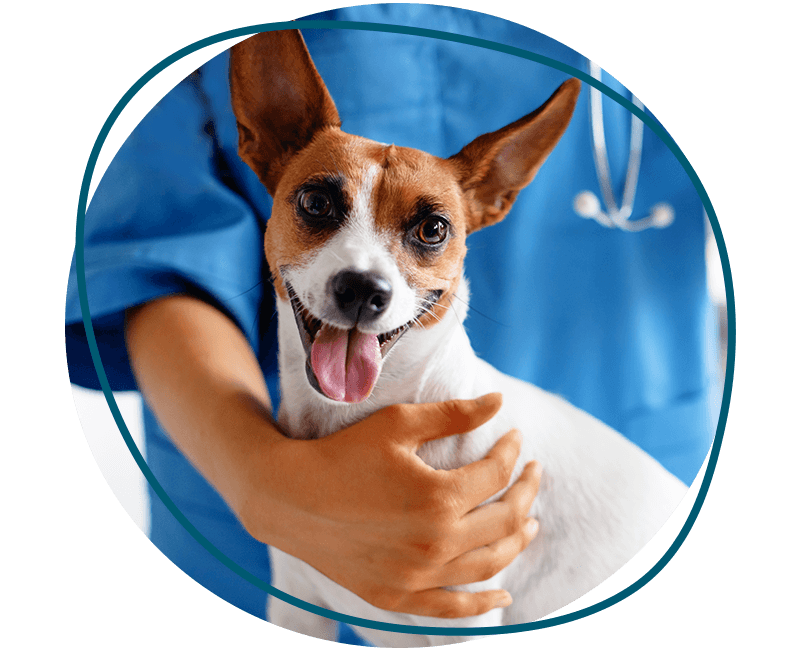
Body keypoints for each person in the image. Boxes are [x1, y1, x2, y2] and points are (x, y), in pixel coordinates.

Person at [65, 4, 717, 644]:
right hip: (217, 483)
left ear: (491, 201)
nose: (366, 275)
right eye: (320, 206)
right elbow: (146, 237)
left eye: (428, 230)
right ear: (263, 144)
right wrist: (259, 479)